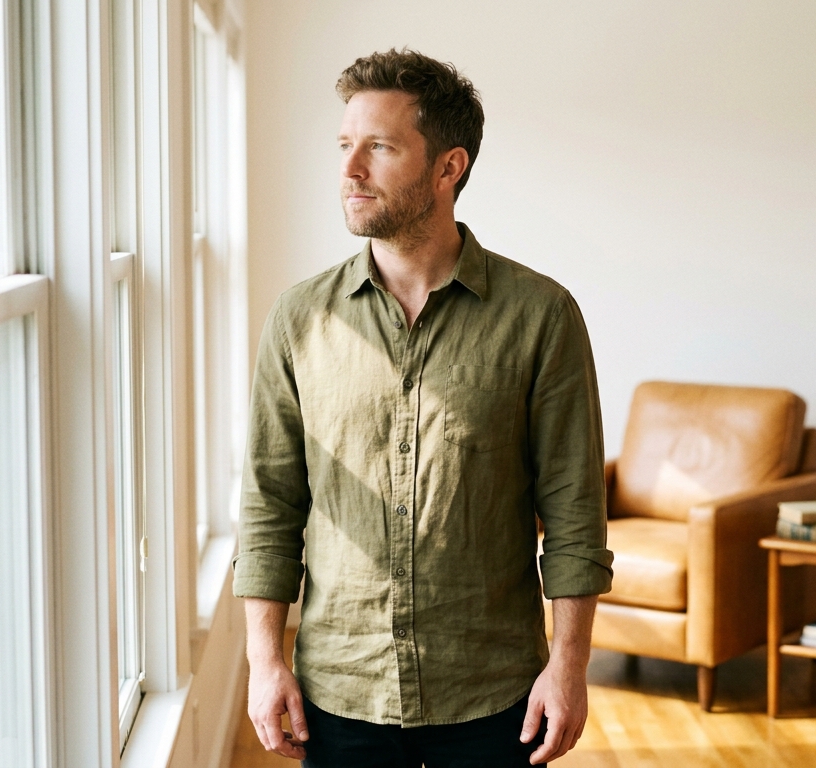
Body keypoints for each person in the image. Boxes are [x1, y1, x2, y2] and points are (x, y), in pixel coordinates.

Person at [232, 48, 613, 767]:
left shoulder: (542, 316)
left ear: (448, 167)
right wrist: (264, 660)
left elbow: (573, 512)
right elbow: (269, 503)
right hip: (339, 692)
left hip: (495, 692)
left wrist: (568, 668)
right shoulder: (299, 319)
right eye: (346, 146)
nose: (350, 171)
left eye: (379, 147)